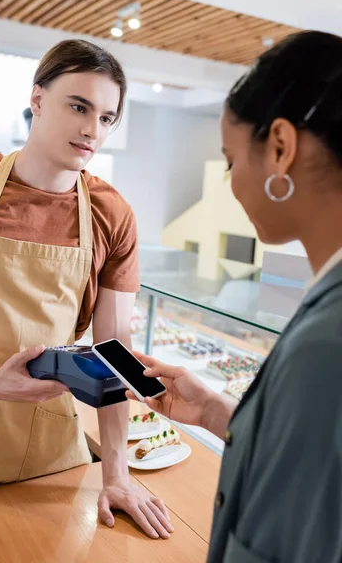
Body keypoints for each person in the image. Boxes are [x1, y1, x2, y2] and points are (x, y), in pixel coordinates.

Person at [0, 39, 173, 540]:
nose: (94, 129)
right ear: (38, 99)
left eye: (108, 117)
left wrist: (116, 474)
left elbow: (116, 352)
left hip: (49, 454)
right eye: (79, 106)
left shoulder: (112, 215)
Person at [127, 30, 342, 561]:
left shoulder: (327, 341)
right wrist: (219, 414)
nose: (230, 182)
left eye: (230, 160)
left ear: (281, 147)